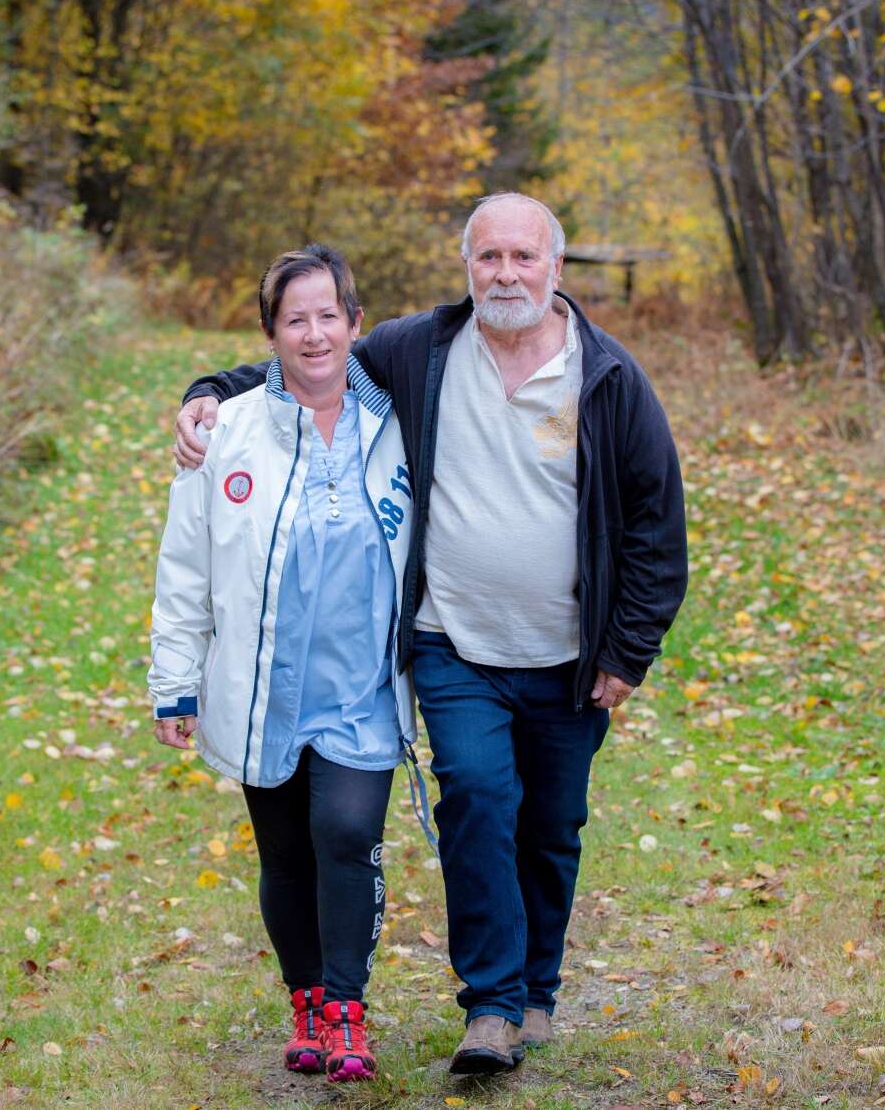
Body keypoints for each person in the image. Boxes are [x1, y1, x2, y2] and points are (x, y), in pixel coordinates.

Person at [172, 194, 688, 1075]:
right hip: (452, 642)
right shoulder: (422, 351)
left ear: (555, 268)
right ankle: (490, 1007)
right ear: (466, 267)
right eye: (489, 257)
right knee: (477, 803)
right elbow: (306, 363)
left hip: (567, 655)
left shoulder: (606, 376)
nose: (505, 274)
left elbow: (655, 522)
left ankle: (535, 989)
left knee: (551, 827)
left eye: (523, 257)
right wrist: (206, 395)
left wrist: (626, 650)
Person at [148, 244, 419, 1083]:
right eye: (294, 319)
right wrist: (173, 683)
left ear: (355, 323)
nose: (313, 334)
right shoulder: (224, 433)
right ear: (270, 333)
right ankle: (305, 998)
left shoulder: (399, 423)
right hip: (262, 687)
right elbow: (184, 566)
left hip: (361, 687)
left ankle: (346, 1011)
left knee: (347, 834)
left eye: (328, 316)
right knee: (286, 854)